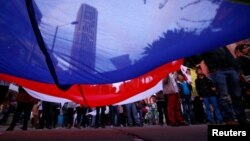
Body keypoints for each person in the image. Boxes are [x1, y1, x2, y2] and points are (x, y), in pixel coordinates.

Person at [202, 46, 247, 125]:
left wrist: (238, 71)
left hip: (230, 68)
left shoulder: (221, 42)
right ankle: (229, 119)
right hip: (216, 70)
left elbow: (230, 56)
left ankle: (242, 119)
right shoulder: (204, 44)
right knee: (223, 96)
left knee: (237, 95)